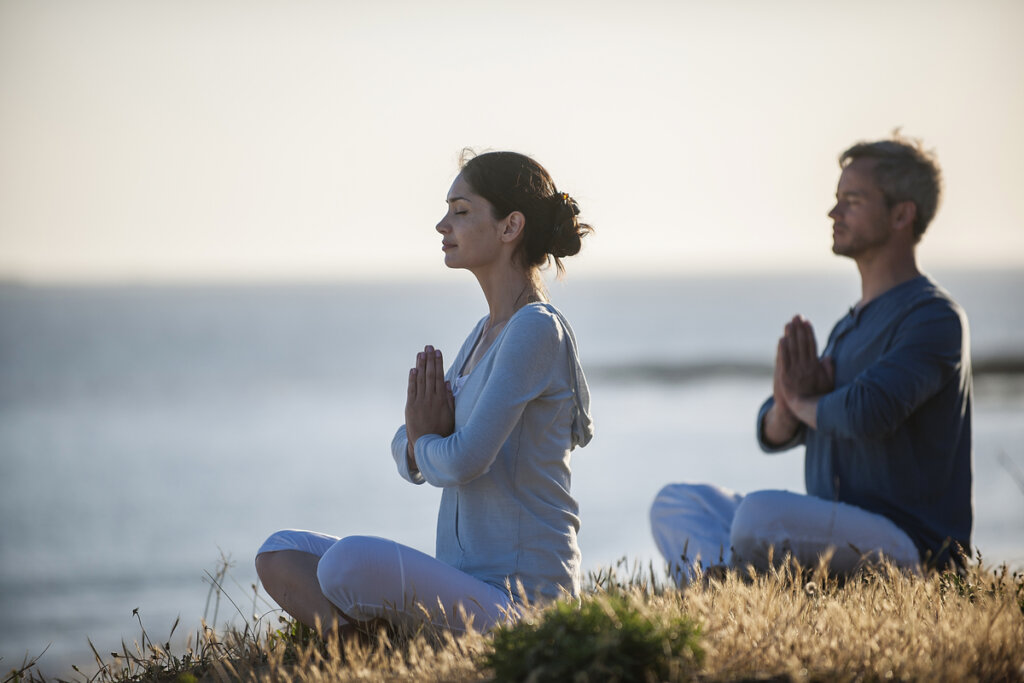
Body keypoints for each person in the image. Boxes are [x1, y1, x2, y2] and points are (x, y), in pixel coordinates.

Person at [255, 150, 594, 638]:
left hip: (525, 608)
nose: (442, 224)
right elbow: (409, 443)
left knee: (348, 562)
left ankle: (385, 645)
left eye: (461, 210)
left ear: (510, 226)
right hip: (466, 588)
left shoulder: (536, 329)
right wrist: (422, 443)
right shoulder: (484, 334)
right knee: (280, 552)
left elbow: (464, 460)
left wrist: (424, 441)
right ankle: (365, 651)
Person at [650, 135, 973, 583]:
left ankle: (738, 584)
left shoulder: (933, 317)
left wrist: (802, 403)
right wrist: (786, 410)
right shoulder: (849, 326)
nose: (833, 213)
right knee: (676, 504)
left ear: (902, 215)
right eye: (837, 199)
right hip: (831, 533)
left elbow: (866, 412)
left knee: (759, 515)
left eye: (852, 201)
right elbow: (777, 427)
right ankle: (722, 589)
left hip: (910, 547)